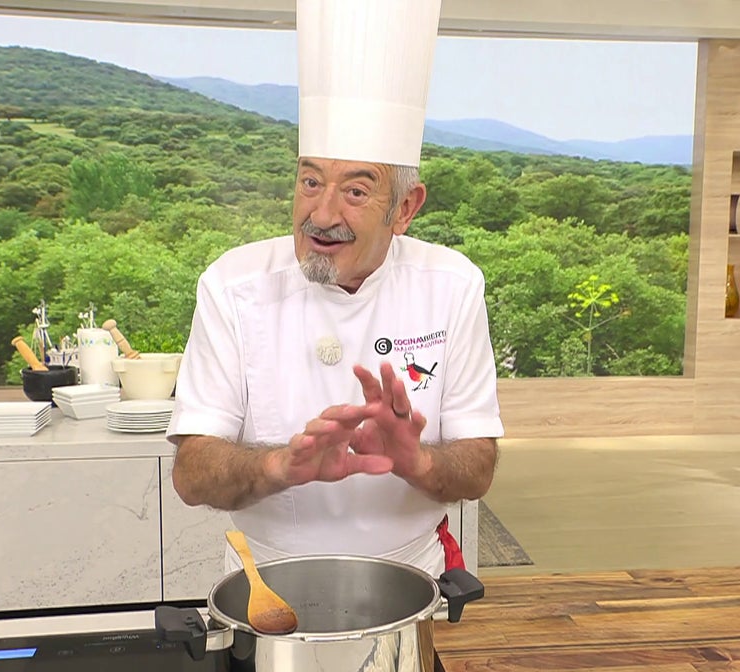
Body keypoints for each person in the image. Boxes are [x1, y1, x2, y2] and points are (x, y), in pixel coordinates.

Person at [165, 0, 503, 578]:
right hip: (265, 582)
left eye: (355, 191)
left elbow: (478, 467)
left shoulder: (452, 285)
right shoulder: (234, 284)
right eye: (310, 181)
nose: (321, 214)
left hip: (411, 577)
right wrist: (278, 465)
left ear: (405, 208)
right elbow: (192, 474)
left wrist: (415, 460)